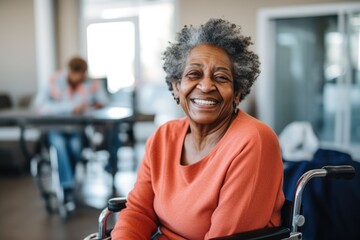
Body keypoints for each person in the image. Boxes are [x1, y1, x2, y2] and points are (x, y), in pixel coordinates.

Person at [111, 18, 285, 239]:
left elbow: (226, 236)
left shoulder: (253, 140)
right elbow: (138, 211)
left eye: (221, 78)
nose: (205, 86)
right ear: (176, 87)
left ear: (237, 93)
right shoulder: (163, 137)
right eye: (193, 74)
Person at [33, 56, 109, 212]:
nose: (78, 79)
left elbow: (104, 101)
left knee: (74, 146)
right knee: (60, 145)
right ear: (69, 71)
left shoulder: (92, 83)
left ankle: (69, 186)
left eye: (81, 76)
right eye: (75, 75)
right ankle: (68, 188)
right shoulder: (54, 80)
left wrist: (94, 104)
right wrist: (69, 107)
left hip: (77, 130)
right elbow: (39, 105)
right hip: (56, 129)